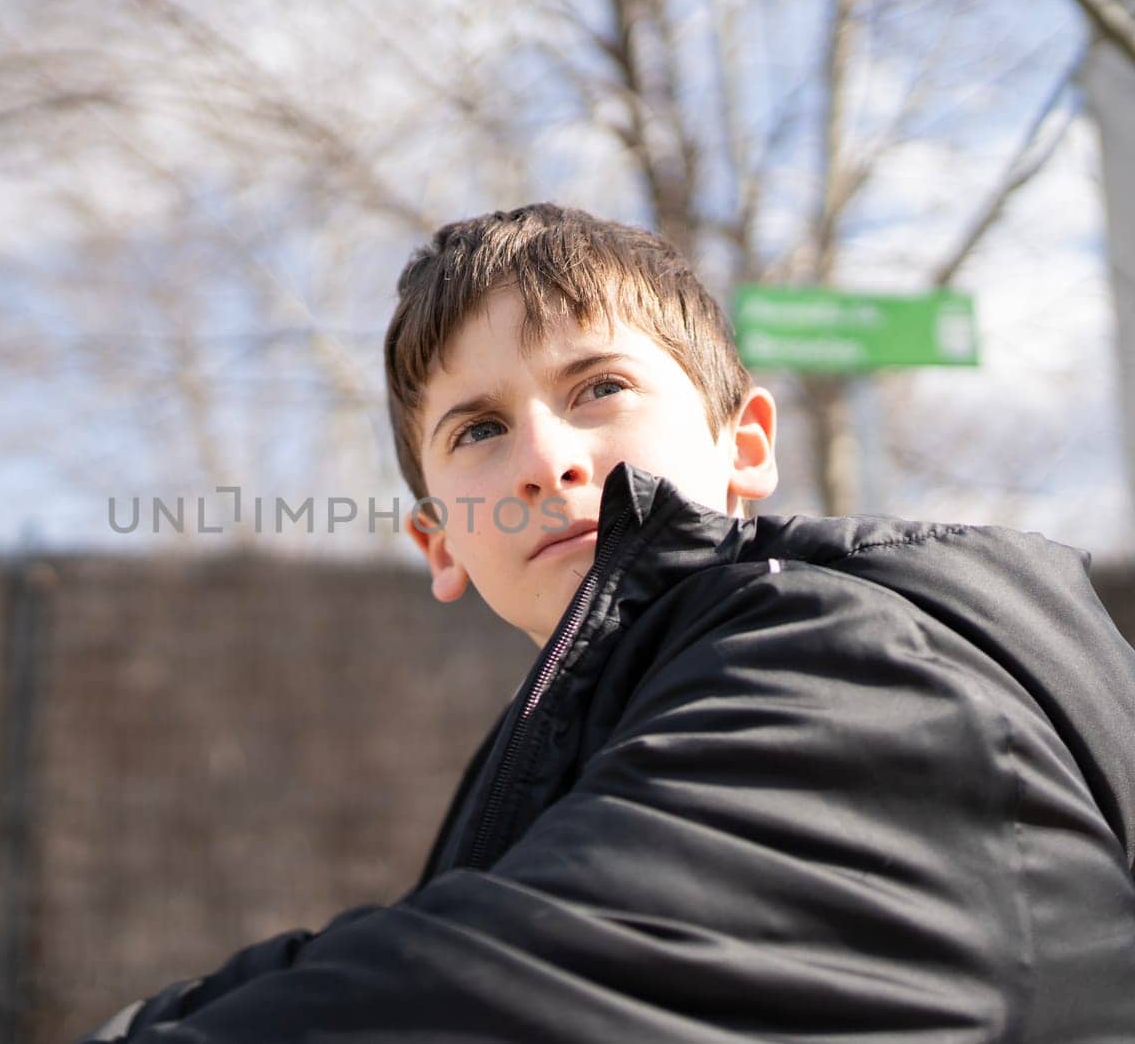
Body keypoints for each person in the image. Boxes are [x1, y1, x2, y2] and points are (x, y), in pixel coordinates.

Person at [81, 204, 1135, 1041]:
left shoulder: (852, 654)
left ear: (745, 440)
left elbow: (515, 984)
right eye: (480, 427)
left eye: (599, 386)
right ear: (440, 543)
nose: (545, 457)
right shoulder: (579, 729)